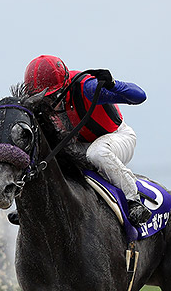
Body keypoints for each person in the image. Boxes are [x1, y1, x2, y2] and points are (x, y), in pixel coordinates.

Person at [23, 54, 152, 226]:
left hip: (117, 137)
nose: (48, 101)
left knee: (97, 153)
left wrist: (113, 85)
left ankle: (134, 200)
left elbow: (139, 96)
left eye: (51, 95)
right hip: (80, 146)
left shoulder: (87, 88)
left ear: (64, 85)